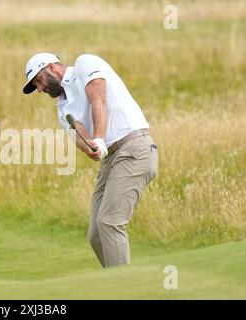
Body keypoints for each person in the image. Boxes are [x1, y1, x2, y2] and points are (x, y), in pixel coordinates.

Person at [22, 52, 158, 268]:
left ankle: (126, 290)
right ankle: (117, 284)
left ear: (50, 67)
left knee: (109, 223)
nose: (39, 89)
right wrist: (90, 147)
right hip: (111, 158)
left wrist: (100, 139)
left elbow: (98, 100)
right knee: (96, 233)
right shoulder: (62, 105)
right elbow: (77, 131)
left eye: (38, 81)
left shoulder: (86, 64)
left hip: (134, 148)